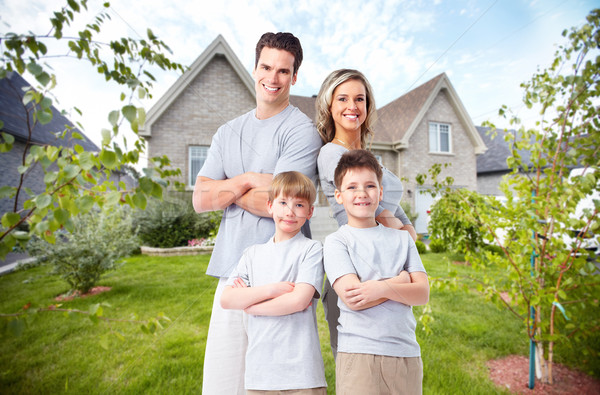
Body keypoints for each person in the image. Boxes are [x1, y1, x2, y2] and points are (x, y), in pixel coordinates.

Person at [193, 32, 322, 395]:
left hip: (285, 274)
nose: (273, 77)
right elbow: (200, 198)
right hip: (232, 272)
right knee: (223, 383)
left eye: (284, 71)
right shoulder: (228, 131)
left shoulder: (302, 131)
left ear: (295, 77)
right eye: (266, 67)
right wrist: (251, 180)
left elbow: (286, 202)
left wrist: (228, 190)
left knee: (279, 384)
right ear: (255, 68)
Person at [315, 69, 417, 358]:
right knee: (356, 371)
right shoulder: (332, 156)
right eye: (343, 98)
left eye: (359, 99)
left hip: (388, 271)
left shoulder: (371, 160)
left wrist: (404, 237)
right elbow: (383, 218)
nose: (352, 106)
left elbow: (406, 229)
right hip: (357, 270)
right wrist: (402, 273)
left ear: (368, 106)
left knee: (394, 366)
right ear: (329, 106)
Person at [323, 149, 429, 395]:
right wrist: (401, 281)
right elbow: (354, 298)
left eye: (370, 185)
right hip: (359, 354)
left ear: (380, 192)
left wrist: (380, 287)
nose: (361, 193)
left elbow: (422, 293)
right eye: (351, 187)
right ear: (339, 196)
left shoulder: (403, 239)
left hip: (405, 353)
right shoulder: (337, 242)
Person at [220, 171, 327, 394]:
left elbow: (298, 301)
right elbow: (228, 298)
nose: (289, 211)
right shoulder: (252, 254)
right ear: (270, 206)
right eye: (283, 202)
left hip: (302, 374)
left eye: (299, 205)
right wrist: (273, 289)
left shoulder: (311, 250)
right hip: (260, 374)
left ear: (310, 212)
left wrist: (250, 305)